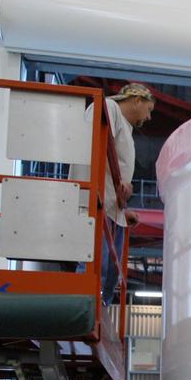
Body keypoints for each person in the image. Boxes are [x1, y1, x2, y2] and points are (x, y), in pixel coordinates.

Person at [71, 82, 155, 302]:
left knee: (111, 271)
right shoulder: (109, 108)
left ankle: (101, 308)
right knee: (96, 261)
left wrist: (122, 202)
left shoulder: (125, 126)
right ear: (137, 101)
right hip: (95, 200)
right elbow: (94, 147)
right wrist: (118, 184)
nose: (149, 117)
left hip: (111, 205)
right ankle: (83, 304)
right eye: (148, 109)